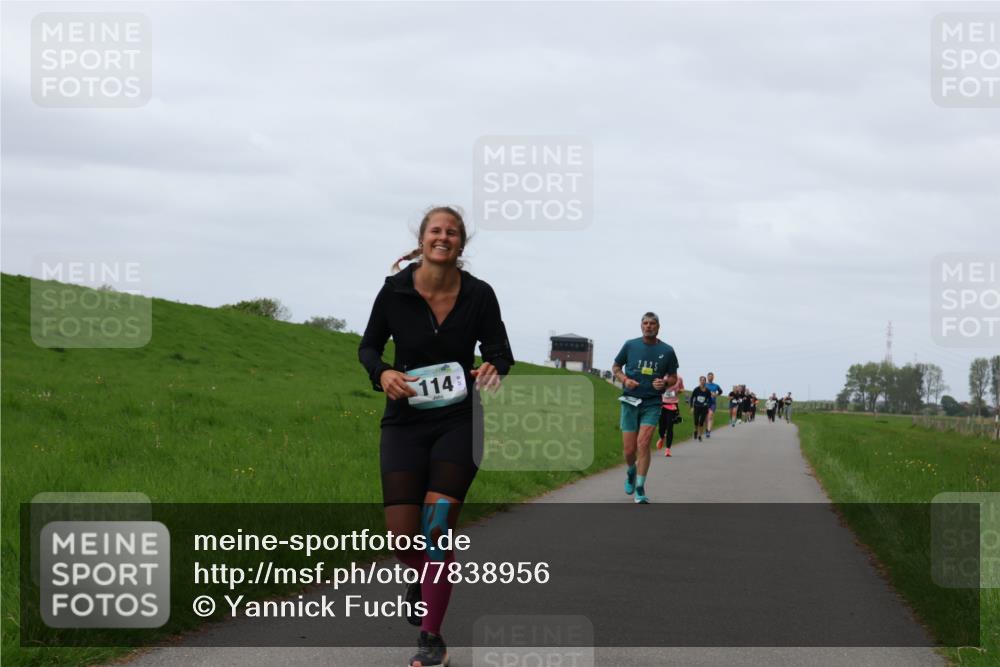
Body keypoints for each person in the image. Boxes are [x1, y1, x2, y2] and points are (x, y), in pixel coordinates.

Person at [358, 206, 515, 667]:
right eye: (435, 230)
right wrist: (382, 372)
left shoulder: (479, 295)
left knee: (435, 531)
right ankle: (425, 578)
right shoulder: (395, 291)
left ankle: (432, 639)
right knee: (401, 539)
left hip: (459, 421)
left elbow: (500, 352)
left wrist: (493, 367)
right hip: (404, 421)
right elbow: (368, 346)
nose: (443, 237)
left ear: (461, 243)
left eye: (451, 232)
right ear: (422, 239)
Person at [612, 312, 679, 504]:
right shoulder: (630, 345)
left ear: (658, 327)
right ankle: (631, 471)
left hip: (652, 402)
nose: (648, 326)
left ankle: (640, 488)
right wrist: (625, 379)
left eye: (652, 323)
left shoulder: (667, 351)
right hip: (630, 400)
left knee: (643, 443)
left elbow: (673, 377)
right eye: (645, 323)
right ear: (641, 326)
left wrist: (665, 383)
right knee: (629, 450)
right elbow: (616, 367)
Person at [656, 375, 684, 457]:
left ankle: (668, 449)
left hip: (672, 405)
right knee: (661, 427)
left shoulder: (679, 378)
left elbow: (682, 388)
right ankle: (662, 437)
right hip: (662, 404)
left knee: (670, 427)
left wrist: (679, 391)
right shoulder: (662, 376)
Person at [689, 376, 713, 441]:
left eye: (704, 380)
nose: (702, 381)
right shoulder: (696, 389)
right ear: (700, 381)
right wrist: (691, 407)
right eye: (701, 380)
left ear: (705, 381)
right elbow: (692, 398)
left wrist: (708, 406)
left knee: (701, 422)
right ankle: (695, 431)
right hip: (696, 407)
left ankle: (700, 435)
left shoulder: (707, 391)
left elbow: (710, 400)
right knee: (696, 421)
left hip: (704, 408)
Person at [704, 372, 722, 438]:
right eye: (709, 376)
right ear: (707, 377)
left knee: (710, 415)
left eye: (711, 376)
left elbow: (721, 391)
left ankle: (708, 431)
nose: (710, 378)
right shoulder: (704, 384)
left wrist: (716, 394)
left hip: (712, 403)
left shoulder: (716, 385)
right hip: (705, 403)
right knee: (705, 418)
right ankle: (706, 429)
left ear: (713, 377)